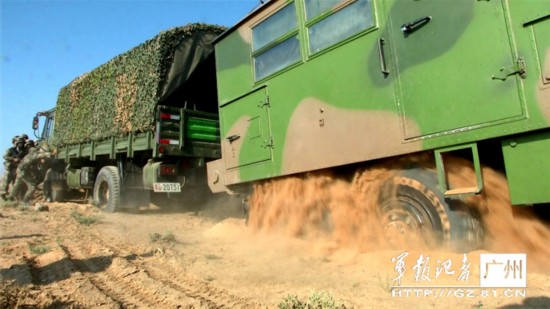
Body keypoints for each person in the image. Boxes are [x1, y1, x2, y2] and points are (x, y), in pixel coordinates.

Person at [8, 141, 52, 205]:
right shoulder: (33, 155)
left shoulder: (30, 154)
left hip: (20, 170)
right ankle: (25, 201)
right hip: (23, 172)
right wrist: (50, 153)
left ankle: (10, 199)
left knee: (17, 186)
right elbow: (45, 155)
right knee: (32, 186)